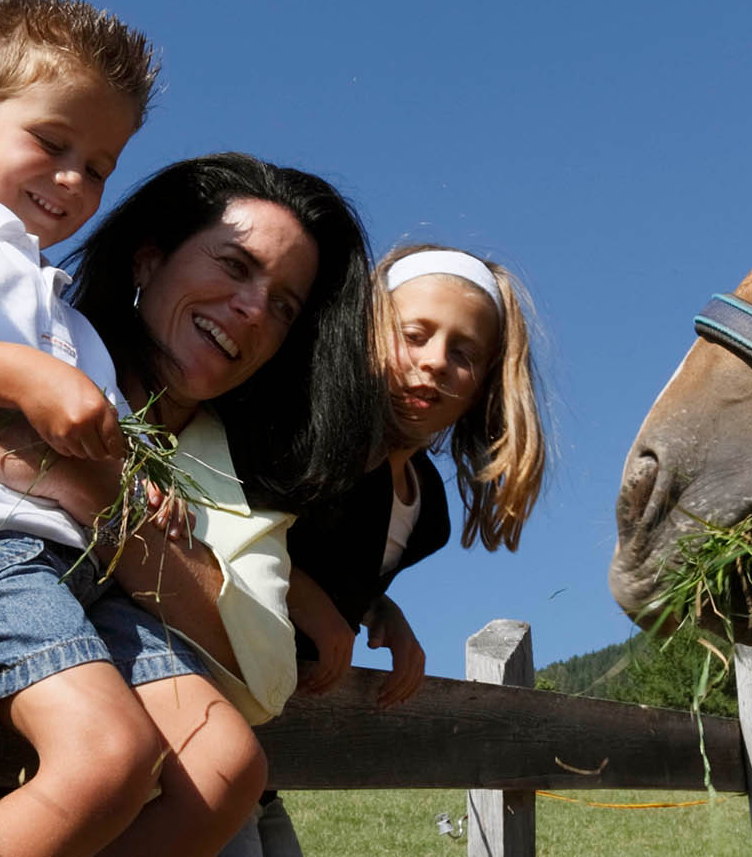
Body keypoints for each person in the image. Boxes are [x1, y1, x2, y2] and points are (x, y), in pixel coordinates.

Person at [0, 151, 380, 855]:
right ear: (148, 261)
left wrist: (86, 492)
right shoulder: (23, 337)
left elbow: (265, 675)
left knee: (226, 777)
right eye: (235, 266)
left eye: (285, 305)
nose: (254, 309)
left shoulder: (245, 479)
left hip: (102, 801)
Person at [225, 244, 547, 854]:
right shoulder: (312, 442)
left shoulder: (427, 508)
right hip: (201, 713)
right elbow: (224, 529)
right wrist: (311, 602)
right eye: (415, 335)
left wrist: (382, 614)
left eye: (463, 353)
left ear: (483, 385)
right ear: (366, 337)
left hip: (269, 745)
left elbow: (348, 569)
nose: (434, 362)